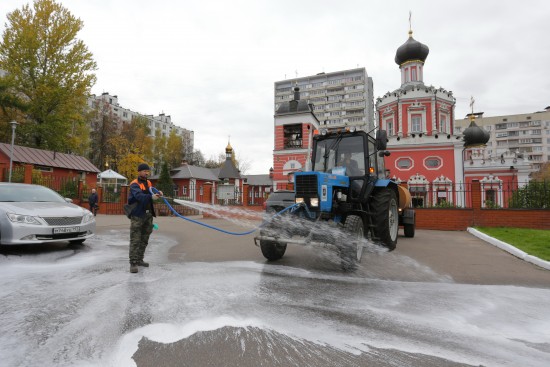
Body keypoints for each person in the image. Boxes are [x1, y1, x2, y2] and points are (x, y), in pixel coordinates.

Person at [127, 163, 163, 273]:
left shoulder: (148, 182)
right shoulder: (134, 184)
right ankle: (133, 263)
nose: (146, 173)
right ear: (139, 172)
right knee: (135, 239)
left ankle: (139, 259)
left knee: (144, 239)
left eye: (148, 171)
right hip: (138, 215)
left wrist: (158, 193)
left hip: (148, 215)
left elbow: (151, 190)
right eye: (144, 171)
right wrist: (151, 197)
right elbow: (139, 196)